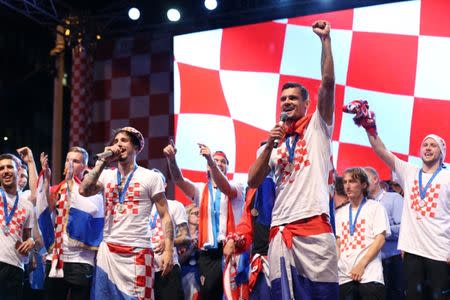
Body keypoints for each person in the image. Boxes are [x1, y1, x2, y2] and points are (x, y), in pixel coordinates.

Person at [247, 20, 338, 299]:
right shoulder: (275, 142)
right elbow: (253, 179)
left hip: (314, 226)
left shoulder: (318, 126)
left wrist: (325, 41)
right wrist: (269, 145)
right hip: (280, 230)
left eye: (293, 98)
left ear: (306, 104)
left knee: (322, 294)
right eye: (283, 99)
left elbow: (328, 82)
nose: (286, 102)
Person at [344, 99, 450, 299]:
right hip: (411, 253)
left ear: (441, 153)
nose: (427, 147)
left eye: (433, 145)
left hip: (440, 252)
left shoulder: (447, 177)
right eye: (425, 144)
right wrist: (370, 128)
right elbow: (381, 151)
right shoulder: (409, 172)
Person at [79, 126, 174, 300]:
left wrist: (168, 250)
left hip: (138, 251)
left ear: (136, 147)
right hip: (108, 251)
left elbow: (165, 216)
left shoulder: (150, 177)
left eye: (124, 140)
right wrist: (102, 162)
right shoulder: (106, 175)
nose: (118, 144)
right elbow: (84, 190)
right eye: (115, 141)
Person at [164, 140, 245, 299]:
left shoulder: (237, 186)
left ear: (227, 168)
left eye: (223, 162)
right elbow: (180, 181)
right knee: (209, 296)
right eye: (216, 161)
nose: (219, 163)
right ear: (207, 168)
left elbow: (226, 188)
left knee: (233, 295)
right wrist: (172, 160)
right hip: (207, 254)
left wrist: (210, 160)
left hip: (231, 248)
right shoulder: (200, 190)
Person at [36, 147, 104, 300]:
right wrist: (46, 179)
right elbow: (46, 209)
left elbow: (92, 212)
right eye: (68, 160)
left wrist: (72, 186)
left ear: (85, 167)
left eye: (76, 161)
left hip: (81, 259)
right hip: (56, 258)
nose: (70, 164)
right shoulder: (58, 188)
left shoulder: (95, 191)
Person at [223, 142, 276, 300]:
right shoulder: (252, 191)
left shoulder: (289, 186)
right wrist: (235, 240)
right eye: (261, 159)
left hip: (287, 261)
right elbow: (247, 224)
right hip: (260, 263)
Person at [336, 167, 390, 300]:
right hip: (344, 276)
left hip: (369, 274)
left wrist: (361, 264)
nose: (347, 186)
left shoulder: (375, 207)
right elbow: (338, 243)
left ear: (364, 185)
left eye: (352, 181)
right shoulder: (339, 213)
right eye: (345, 182)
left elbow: (380, 239)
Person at [0, 149, 37, 300]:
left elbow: (28, 237)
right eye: (1, 168)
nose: (5, 171)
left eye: (9, 167)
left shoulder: (26, 205)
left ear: (18, 169)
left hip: (16, 266)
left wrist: (31, 242)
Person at [364, 166, 404, 300]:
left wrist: (381, 231)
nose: (361, 184)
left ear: (375, 179)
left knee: (393, 295)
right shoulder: (364, 204)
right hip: (369, 261)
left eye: (365, 180)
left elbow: (403, 228)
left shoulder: (394, 198)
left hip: (391, 259)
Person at [150, 169, 189, 300]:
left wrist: (168, 242)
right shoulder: (141, 208)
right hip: (143, 267)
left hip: (167, 267)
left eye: (157, 181)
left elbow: (186, 237)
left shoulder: (175, 205)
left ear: (165, 185)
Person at [178, 204, 201, 300]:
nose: (199, 216)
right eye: (196, 213)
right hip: (184, 274)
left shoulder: (205, 235)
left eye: (201, 213)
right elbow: (178, 260)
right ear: (187, 216)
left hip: (200, 274)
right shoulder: (180, 236)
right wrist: (191, 249)